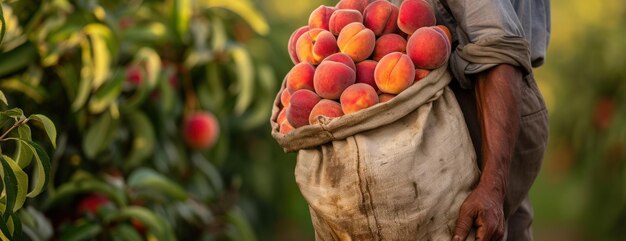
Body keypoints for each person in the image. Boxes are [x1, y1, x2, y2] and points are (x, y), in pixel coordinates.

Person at [391, 0, 551, 240]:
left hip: (481, 103)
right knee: (507, 223)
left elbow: (497, 48)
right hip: (502, 104)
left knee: (482, 218)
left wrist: (491, 188)